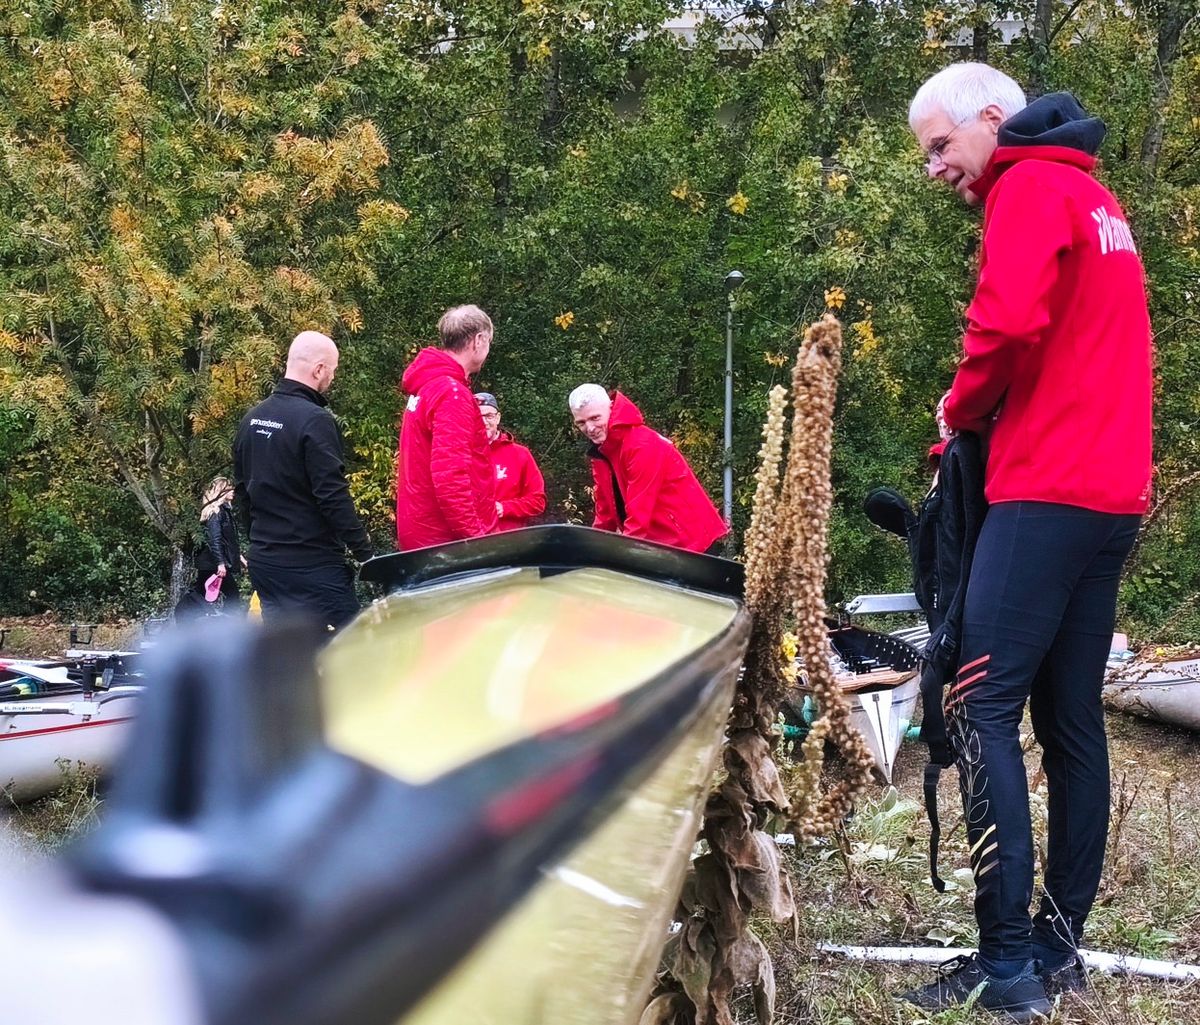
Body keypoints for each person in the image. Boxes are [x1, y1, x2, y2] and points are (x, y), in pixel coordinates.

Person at [901, 63, 1153, 1018]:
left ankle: (1005, 966)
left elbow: (1005, 322)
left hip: (1046, 486)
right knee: (1071, 720)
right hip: (1111, 494)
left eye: (940, 146)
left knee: (979, 705)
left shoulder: (1029, 185)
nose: (936, 168)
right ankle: (1059, 949)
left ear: (992, 120)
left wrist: (961, 409)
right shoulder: (1096, 199)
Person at [233, 330, 372, 632]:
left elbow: (242, 494)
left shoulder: (251, 419)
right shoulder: (315, 420)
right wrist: (366, 554)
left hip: (266, 565)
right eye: (332, 370)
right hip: (313, 565)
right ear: (319, 369)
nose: (332, 378)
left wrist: (259, 540)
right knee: (353, 645)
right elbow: (332, 496)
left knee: (289, 651)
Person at [568, 384, 727, 554]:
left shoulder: (642, 444)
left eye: (595, 418)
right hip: (661, 545)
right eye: (581, 423)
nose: (590, 428)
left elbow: (639, 515)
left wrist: (621, 554)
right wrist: (591, 550)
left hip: (692, 542)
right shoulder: (602, 452)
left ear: (610, 408)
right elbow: (605, 513)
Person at [395, 305, 498, 549]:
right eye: (489, 341)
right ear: (478, 340)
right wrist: (477, 539)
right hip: (446, 543)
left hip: (424, 534)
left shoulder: (428, 386)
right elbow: (450, 475)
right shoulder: (451, 393)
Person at [174, 477, 246, 618]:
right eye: (229, 488)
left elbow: (228, 540)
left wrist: (239, 557)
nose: (233, 491)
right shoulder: (216, 513)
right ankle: (225, 623)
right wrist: (220, 563)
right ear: (220, 491)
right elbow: (215, 540)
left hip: (211, 563)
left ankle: (189, 618)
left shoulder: (224, 511)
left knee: (201, 595)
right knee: (232, 595)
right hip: (212, 564)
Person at [475, 392, 546, 531]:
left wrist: (504, 508)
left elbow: (538, 501)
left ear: (498, 418)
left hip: (509, 538)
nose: (484, 422)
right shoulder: (461, 454)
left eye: (489, 416)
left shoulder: (520, 454)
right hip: (471, 538)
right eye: (477, 417)